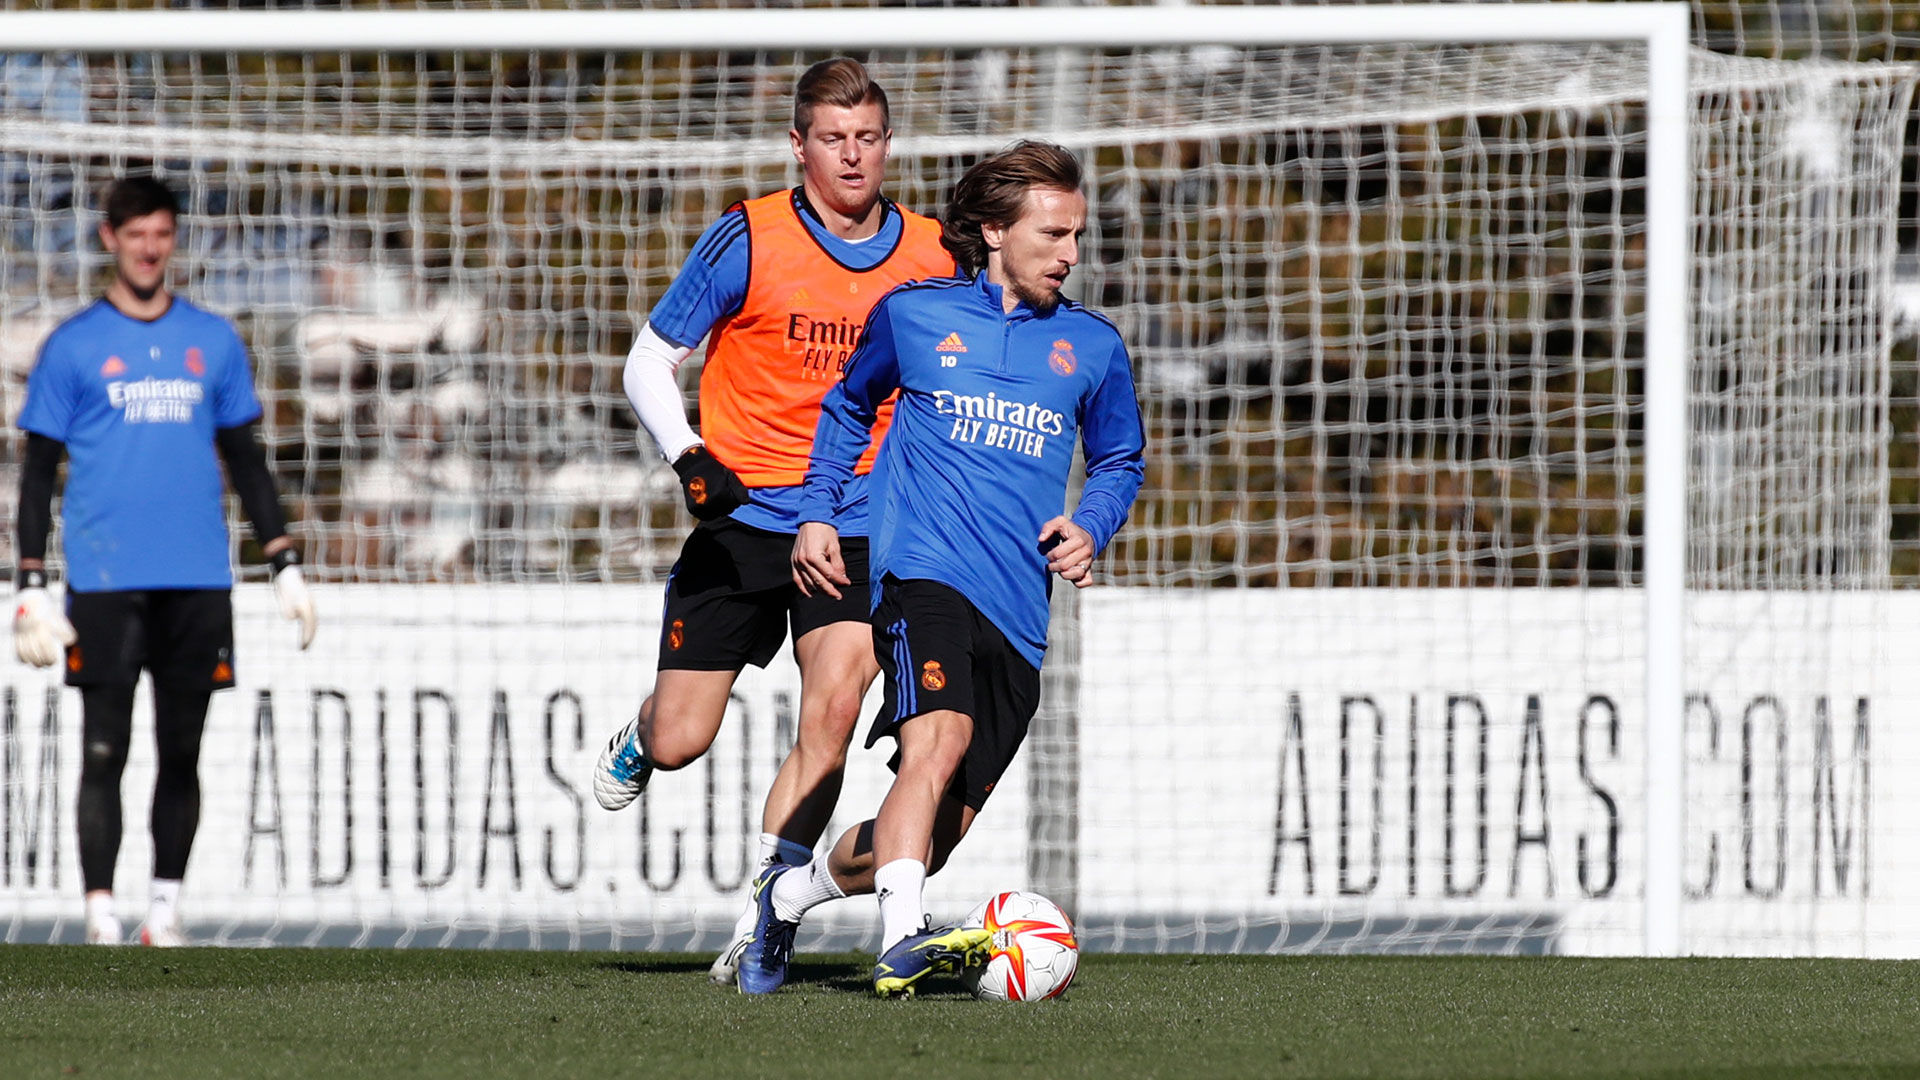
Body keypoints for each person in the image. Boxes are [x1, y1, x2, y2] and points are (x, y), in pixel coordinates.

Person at [742, 140, 1146, 997]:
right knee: (941, 736)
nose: (1071, 253)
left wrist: (1092, 527)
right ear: (995, 231)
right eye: (1054, 234)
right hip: (920, 573)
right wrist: (818, 509)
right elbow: (850, 405)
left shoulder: (1093, 345)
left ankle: (789, 895)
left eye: (1078, 235)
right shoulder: (915, 315)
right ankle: (904, 939)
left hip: (1018, 612)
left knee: (931, 835)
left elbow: (1119, 460)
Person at [589, 57, 953, 984]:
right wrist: (689, 456)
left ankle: (764, 919)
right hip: (745, 519)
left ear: (887, 144)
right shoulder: (746, 236)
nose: (852, 157)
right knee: (681, 739)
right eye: (832, 139)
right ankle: (641, 735)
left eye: (868, 138)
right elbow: (645, 362)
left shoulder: (931, 253)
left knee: (832, 710)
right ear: (799, 146)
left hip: (858, 517)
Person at [12, 173, 317, 947]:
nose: (149, 248)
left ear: (174, 238)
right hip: (107, 582)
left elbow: (245, 460)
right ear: (109, 239)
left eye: (161, 233)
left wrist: (282, 560)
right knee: (104, 748)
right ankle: (101, 918)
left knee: (183, 749)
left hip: (199, 580)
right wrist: (30, 583)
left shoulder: (212, 341)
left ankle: (164, 913)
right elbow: (39, 471)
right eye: (134, 233)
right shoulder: (73, 345)